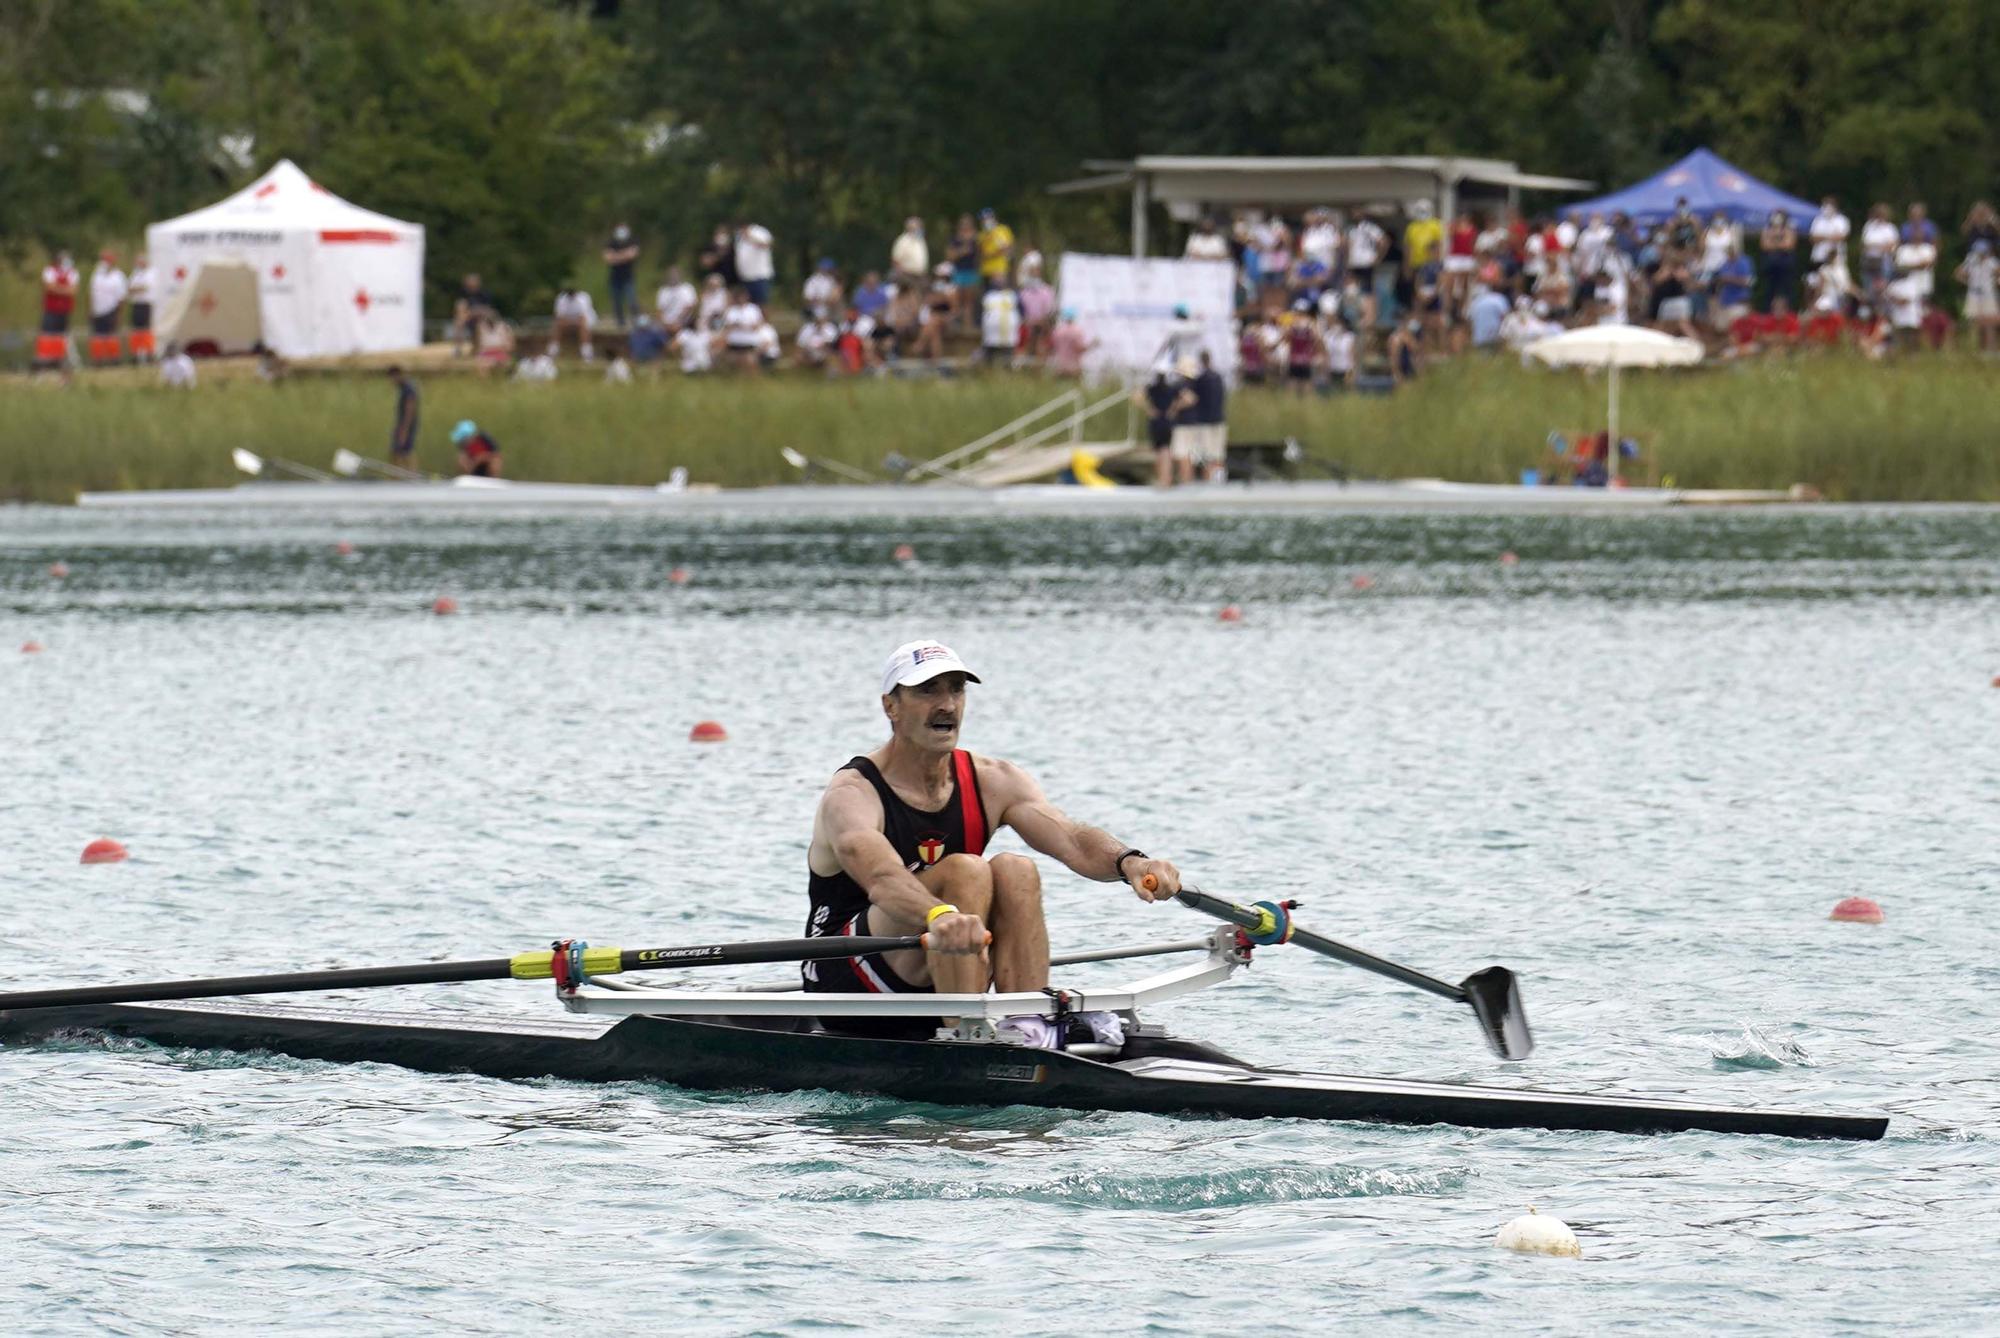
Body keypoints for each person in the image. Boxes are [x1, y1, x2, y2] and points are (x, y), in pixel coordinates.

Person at [803, 640, 1184, 1044]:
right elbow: (882, 877)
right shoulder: (853, 793)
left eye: (956, 689)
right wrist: (939, 915)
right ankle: (968, 1034)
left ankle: (1027, 1024)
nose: (947, 704)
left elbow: (1072, 838)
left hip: (939, 966)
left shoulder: (992, 780)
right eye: (927, 691)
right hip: (844, 982)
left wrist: (1131, 863)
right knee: (964, 871)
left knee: (1015, 869)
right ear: (890, 706)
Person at [1956, 240, 2000, 352]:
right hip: (1974, 294)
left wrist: (1995, 283)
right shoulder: (1970, 261)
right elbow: (1958, 273)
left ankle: (1991, 349)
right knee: (1975, 322)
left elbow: (1998, 274)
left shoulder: (1992, 262)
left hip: (1988, 294)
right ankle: (1979, 349)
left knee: (1989, 322)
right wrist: (1968, 281)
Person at [38, 249, 79, 366]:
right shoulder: (49, 270)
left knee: (62, 336)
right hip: (51, 309)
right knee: (48, 335)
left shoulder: (72, 273)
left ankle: (59, 360)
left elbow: (73, 290)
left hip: (64, 310)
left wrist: (57, 288)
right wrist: (65, 289)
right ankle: (45, 360)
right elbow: (49, 288)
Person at [1191, 351, 1226, 480]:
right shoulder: (1218, 377)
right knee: (1218, 453)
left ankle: (1208, 480)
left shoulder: (1200, 379)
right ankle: (1218, 479)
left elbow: (1195, 399)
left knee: (1206, 454)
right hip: (1219, 419)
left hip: (1205, 421)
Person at [1758, 211, 1799, 312]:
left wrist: (1773, 243)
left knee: (1787, 290)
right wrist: (1779, 243)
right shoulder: (1766, 230)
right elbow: (1765, 245)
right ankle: (1768, 313)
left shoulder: (1789, 230)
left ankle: (1788, 312)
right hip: (1770, 266)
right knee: (1769, 291)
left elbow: (1789, 245)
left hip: (1786, 266)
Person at [88, 251, 127, 352]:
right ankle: (98, 358)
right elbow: (93, 293)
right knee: (98, 336)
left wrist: (119, 314)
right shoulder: (96, 274)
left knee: (111, 336)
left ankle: (112, 358)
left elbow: (121, 297)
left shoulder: (118, 276)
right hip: (98, 310)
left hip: (111, 309)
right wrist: (91, 309)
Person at [603, 224, 640, 326]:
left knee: (632, 299)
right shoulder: (611, 242)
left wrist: (616, 256)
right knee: (617, 301)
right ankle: (620, 322)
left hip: (628, 277)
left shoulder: (632, 241)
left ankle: (637, 320)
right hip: (615, 278)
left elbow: (632, 254)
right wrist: (624, 255)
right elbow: (608, 258)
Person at [722, 287, 765, 371]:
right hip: (735, 341)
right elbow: (727, 326)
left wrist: (745, 326)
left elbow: (758, 324)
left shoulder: (753, 309)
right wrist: (737, 325)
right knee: (732, 362)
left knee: (750, 361)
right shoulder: (731, 310)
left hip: (749, 341)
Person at [979, 280, 1021, 366]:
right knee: (990, 351)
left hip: (1008, 329)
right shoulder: (989, 295)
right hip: (992, 329)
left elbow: (1020, 310)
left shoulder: (1012, 295)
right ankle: (988, 369)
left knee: (1008, 351)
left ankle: (1007, 368)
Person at [734, 220, 775, 306]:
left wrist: (749, 237)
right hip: (745, 277)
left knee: (761, 303)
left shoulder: (760, 231)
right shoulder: (739, 236)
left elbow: (767, 245)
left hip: (759, 276)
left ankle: (765, 320)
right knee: (748, 305)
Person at [387, 365, 420, 472]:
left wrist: (404, 430)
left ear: (397, 375)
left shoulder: (408, 389)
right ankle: (397, 475)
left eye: (392, 378)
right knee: (397, 452)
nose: (392, 382)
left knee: (406, 452)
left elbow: (409, 410)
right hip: (403, 425)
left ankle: (412, 475)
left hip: (407, 426)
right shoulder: (404, 388)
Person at [452, 273, 494, 355]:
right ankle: (458, 348)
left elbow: (487, 310)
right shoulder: (463, 293)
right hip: (467, 317)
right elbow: (459, 307)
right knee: (459, 321)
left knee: (478, 324)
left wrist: (473, 312)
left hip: (480, 318)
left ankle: (476, 349)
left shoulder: (484, 294)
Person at [550, 287, 596, 361]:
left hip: (586, 320)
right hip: (569, 321)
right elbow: (559, 318)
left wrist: (571, 322)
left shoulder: (583, 299)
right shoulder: (561, 299)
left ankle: (587, 353)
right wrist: (571, 323)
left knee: (583, 327)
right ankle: (553, 352)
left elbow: (583, 319)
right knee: (557, 326)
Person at [126, 253, 156, 361]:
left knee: (145, 330)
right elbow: (129, 287)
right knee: (136, 330)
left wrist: (135, 288)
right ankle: (136, 354)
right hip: (136, 304)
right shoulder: (135, 273)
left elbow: (145, 287)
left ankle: (149, 353)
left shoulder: (151, 273)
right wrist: (135, 288)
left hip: (145, 304)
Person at [1047, 308, 1094, 376]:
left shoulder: (1057, 331)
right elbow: (1080, 349)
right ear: (1074, 317)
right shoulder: (1077, 331)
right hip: (1073, 368)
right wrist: (1092, 345)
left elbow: (1052, 347)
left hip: (1059, 367)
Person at [976, 207, 1013, 287]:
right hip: (986, 271)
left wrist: (993, 254)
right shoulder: (981, 235)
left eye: (987, 218)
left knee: (1000, 295)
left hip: (1000, 269)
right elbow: (981, 254)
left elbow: (1008, 249)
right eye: (983, 219)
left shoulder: (1003, 230)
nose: (985, 221)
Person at [655, 266, 697, 332]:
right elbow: (659, 310)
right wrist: (664, 324)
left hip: (682, 322)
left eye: (675, 274)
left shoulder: (687, 288)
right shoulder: (663, 291)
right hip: (665, 324)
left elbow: (690, 307)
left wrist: (678, 322)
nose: (673, 276)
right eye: (671, 274)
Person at [890, 216, 928, 286]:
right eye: (917, 227)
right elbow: (895, 260)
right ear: (910, 228)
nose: (919, 229)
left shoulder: (920, 241)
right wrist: (901, 274)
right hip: (907, 276)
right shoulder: (903, 241)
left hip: (920, 275)